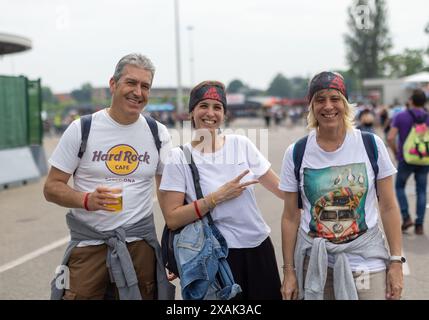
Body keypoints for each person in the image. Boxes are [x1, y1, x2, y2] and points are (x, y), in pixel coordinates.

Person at [43, 53, 174, 300]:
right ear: (113, 84)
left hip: (139, 247)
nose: (138, 92)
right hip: (89, 246)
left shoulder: (158, 133)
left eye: (145, 86)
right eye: (131, 83)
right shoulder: (82, 128)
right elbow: (51, 187)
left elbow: (169, 194)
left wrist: (174, 249)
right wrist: (86, 200)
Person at [279, 71, 404, 300]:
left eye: (335, 98)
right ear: (311, 106)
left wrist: (396, 262)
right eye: (320, 99)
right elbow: (290, 216)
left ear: (345, 104)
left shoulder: (370, 144)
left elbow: (388, 206)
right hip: (316, 262)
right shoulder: (297, 152)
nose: (328, 106)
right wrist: (289, 271)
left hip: (366, 260)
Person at [159, 80, 284, 300]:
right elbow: (172, 218)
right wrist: (217, 197)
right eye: (203, 106)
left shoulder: (241, 145)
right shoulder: (180, 158)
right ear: (191, 112)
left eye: (217, 107)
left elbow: (282, 190)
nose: (210, 113)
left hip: (258, 249)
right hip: (216, 256)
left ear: (224, 114)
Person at [387, 89, 429, 235]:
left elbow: (391, 137)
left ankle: (406, 217)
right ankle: (419, 225)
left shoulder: (401, 116)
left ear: (411, 100)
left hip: (406, 158)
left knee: (399, 187)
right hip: (424, 158)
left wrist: (396, 152)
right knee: (422, 190)